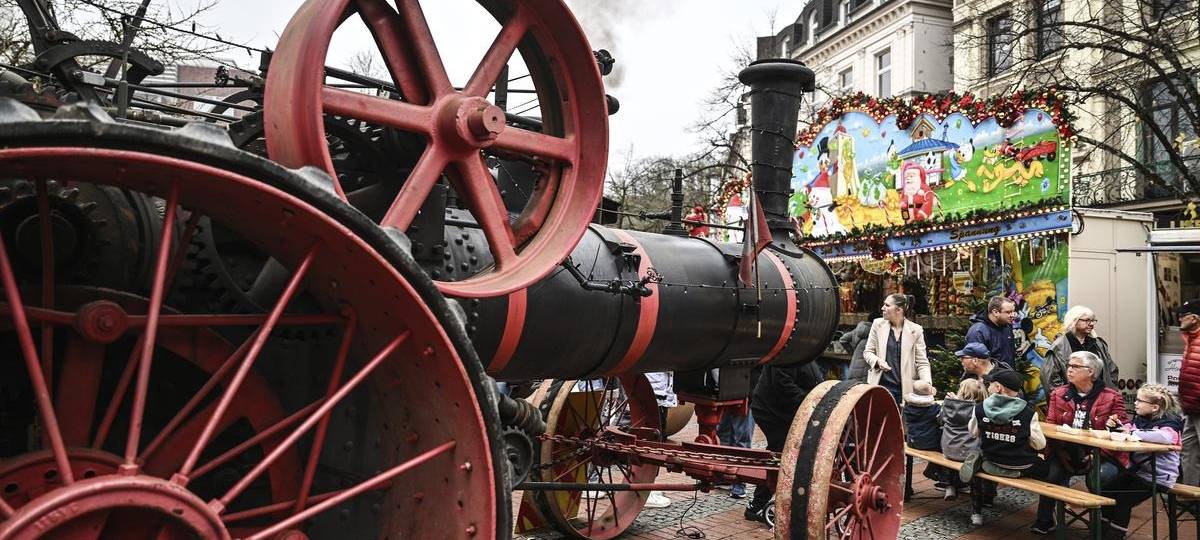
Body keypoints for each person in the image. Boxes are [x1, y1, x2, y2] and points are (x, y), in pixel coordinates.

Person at [1031, 351, 1128, 535]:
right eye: (1069, 365)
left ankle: (1103, 525)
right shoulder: (1058, 394)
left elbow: (1119, 431)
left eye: (1075, 366)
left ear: (1091, 371)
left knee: (1100, 479)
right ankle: (1044, 521)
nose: (1069, 370)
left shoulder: (1112, 396)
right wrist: (1059, 452)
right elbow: (1051, 427)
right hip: (1065, 451)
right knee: (1051, 474)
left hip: (1102, 454)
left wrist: (1096, 454)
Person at [959, 368, 1049, 525]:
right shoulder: (1028, 413)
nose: (987, 387)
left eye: (990, 384)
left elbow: (974, 432)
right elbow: (1039, 444)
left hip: (991, 462)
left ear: (998, 387)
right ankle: (1046, 519)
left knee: (981, 454)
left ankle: (977, 512)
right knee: (1050, 468)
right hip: (1021, 465)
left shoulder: (979, 408)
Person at [745, 362, 825, 523]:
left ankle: (766, 503)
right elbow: (783, 383)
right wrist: (810, 400)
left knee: (783, 455)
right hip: (772, 412)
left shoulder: (805, 350)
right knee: (780, 454)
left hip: (784, 411)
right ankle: (757, 506)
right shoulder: (789, 353)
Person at [1100, 384, 1182, 539]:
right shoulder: (1141, 419)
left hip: (1159, 476)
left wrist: (1131, 432)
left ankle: (1115, 535)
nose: (1135, 403)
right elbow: (1128, 428)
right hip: (1138, 471)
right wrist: (1116, 426)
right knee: (1107, 490)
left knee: (1124, 500)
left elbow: (1164, 437)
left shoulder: (1171, 423)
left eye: (1140, 400)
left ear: (1155, 407)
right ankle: (1102, 528)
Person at [863, 293, 931, 405]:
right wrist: (877, 361)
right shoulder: (877, 324)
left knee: (901, 421)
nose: (882, 308)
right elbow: (868, 352)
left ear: (899, 310)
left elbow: (922, 362)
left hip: (905, 389)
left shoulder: (916, 330)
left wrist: (926, 383)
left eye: (887, 305)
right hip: (881, 385)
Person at [1042, 305, 1118, 391]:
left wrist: (1110, 394)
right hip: (1072, 401)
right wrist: (1066, 399)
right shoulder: (1059, 346)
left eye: (1093, 320)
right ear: (1074, 321)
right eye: (1087, 320)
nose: (1091, 324)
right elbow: (1049, 379)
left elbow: (1112, 370)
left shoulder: (1099, 344)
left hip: (1100, 400)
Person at [938, 378, 987, 500]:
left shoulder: (949, 404)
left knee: (952, 452)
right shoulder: (980, 408)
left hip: (948, 450)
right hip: (970, 453)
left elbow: (939, 419)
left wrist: (952, 401)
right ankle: (976, 489)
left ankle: (950, 486)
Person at [643, 372, 675, 509]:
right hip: (654, 392)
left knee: (655, 442)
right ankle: (644, 489)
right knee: (650, 444)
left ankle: (647, 486)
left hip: (658, 391)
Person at [1177, 300, 1200, 486]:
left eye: (1183, 315)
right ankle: (1192, 496)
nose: (1179, 319)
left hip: (1198, 404)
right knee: (1188, 451)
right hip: (1190, 407)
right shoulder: (1189, 338)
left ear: (1195, 318)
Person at [966, 296, 1017, 369]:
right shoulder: (978, 331)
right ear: (995, 312)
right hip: (990, 378)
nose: (1012, 315)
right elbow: (975, 363)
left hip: (1008, 376)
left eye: (1013, 312)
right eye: (1008, 312)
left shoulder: (1007, 327)